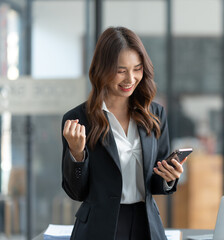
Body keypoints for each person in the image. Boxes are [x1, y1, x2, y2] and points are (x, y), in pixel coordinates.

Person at [61, 26, 185, 240]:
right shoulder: (78, 119)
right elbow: (76, 192)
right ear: (102, 69)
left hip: (145, 225)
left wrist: (169, 178)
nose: (130, 78)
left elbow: (156, 182)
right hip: (98, 228)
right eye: (121, 70)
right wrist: (77, 154)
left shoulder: (155, 114)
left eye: (137, 69)